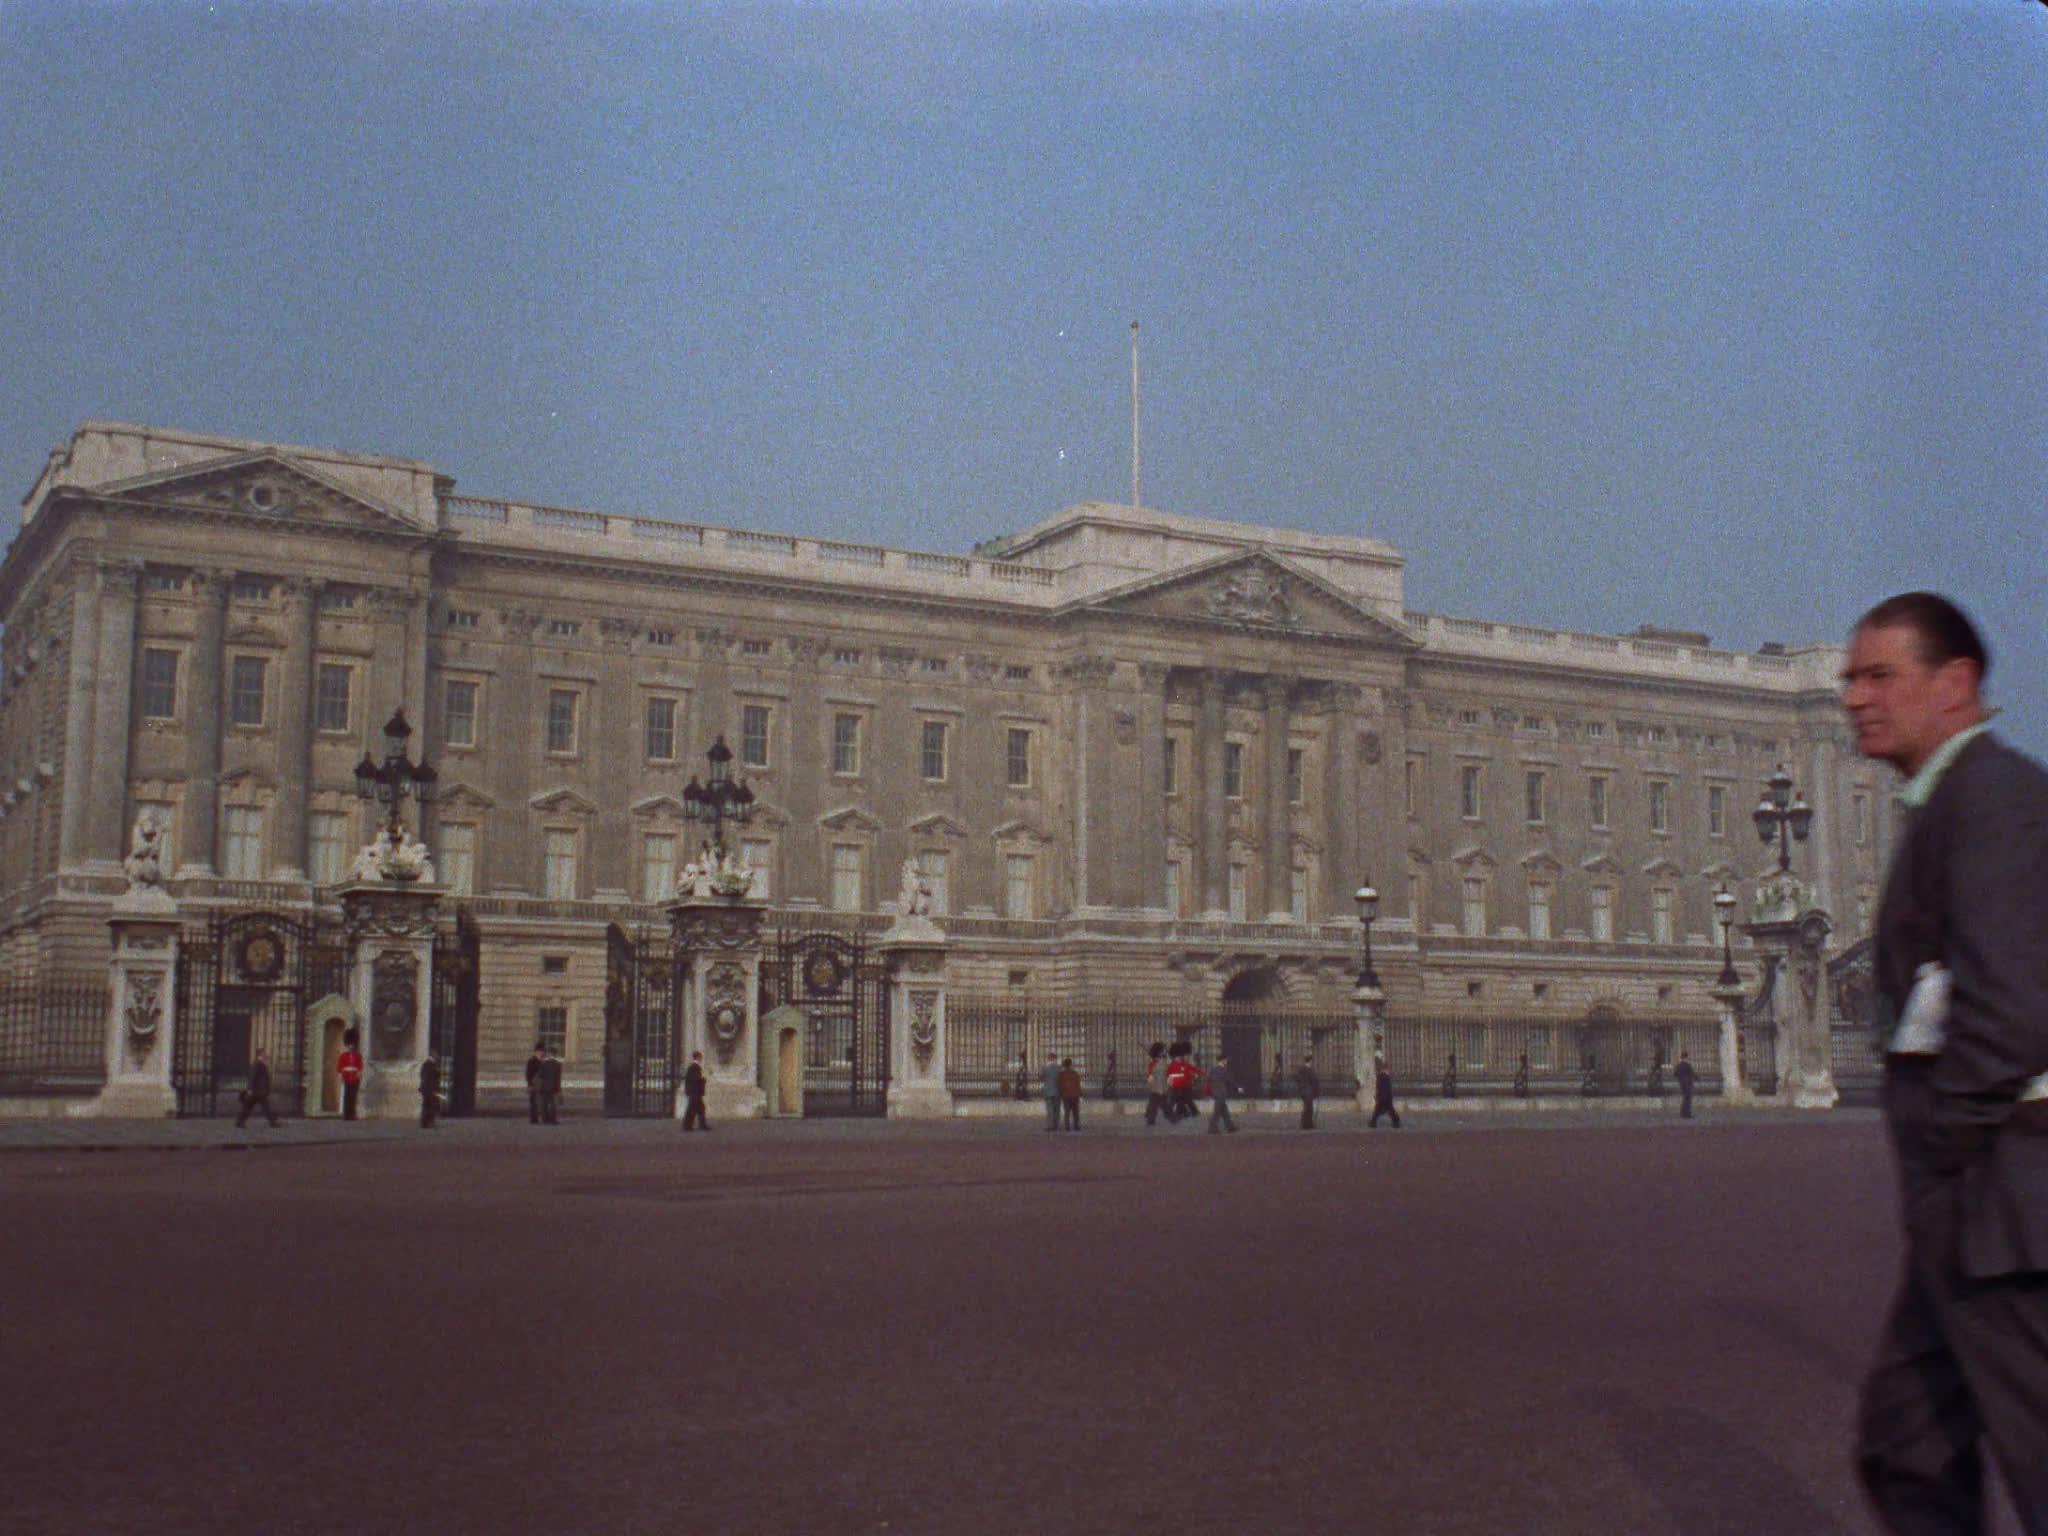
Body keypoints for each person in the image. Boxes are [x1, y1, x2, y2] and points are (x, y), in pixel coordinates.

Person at [1843, 592, 2048, 1532]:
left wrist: (1947, 1150)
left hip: (1997, 1196)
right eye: (1850, 678)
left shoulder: (1993, 799)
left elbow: (2006, 1009)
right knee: (1906, 1444)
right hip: (1970, 1200)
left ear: (1955, 684)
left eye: (1880, 676)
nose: (1854, 698)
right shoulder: (1949, 804)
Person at [236, 1048, 280, 1128]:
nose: (265, 1054)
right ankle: (272, 1122)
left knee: (250, 1107)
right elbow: (252, 1076)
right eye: (264, 1053)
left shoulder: (261, 1063)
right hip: (258, 1090)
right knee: (265, 1107)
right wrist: (250, 1089)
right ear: (260, 1054)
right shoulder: (257, 1064)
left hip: (258, 1091)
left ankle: (240, 1121)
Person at [336, 1029, 364, 1122]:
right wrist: (341, 1076)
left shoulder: (357, 1056)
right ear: (347, 1045)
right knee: (346, 1097)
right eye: (350, 1044)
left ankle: (352, 1114)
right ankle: (346, 1114)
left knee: (353, 1097)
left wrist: (359, 1074)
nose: (351, 1046)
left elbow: (360, 1066)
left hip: (354, 1078)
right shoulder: (343, 1056)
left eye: (352, 1044)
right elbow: (340, 1066)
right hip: (347, 1077)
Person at [1207, 1053, 1238, 1135]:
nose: (1227, 1061)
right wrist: (1238, 1088)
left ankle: (1230, 1126)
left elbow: (1209, 1080)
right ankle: (1212, 1128)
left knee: (1224, 1111)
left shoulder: (1213, 1070)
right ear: (1223, 1060)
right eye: (1226, 1060)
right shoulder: (1223, 1070)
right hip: (1221, 1093)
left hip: (1215, 1092)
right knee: (1217, 1112)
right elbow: (1230, 1080)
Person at [1143, 1041, 1170, 1127]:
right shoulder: (1155, 1063)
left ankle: (1150, 1115)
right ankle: (1150, 1117)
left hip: (1161, 1086)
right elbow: (1150, 1074)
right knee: (1155, 1102)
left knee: (1157, 1102)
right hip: (1157, 1086)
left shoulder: (1161, 1061)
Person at [681, 1050, 709, 1131]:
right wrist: (703, 1080)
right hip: (695, 1092)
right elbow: (695, 1079)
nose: (701, 1059)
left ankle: (701, 1125)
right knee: (692, 1109)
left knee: (700, 1109)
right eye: (700, 1057)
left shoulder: (693, 1067)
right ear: (698, 1057)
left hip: (694, 1092)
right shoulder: (695, 1067)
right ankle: (688, 1126)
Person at [1370, 1058, 1402, 1129]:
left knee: (1378, 1111)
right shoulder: (1384, 1076)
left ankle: (1373, 1122)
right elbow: (1385, 1088)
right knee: (1389, 1111)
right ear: (1387, 1068)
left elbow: (1379, 1087)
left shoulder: (1381, 1076)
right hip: (1385, 1097)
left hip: (1382, 1097)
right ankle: (1396, 1122)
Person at [538, 1045, 563, 1125]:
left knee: (544, 1103)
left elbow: (540, 1075)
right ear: (555, 1054)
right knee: (552, 1104)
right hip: (553, 1086)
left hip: (544, 1086)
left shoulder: (543, 1064)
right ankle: (552, 1119)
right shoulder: (558, 1064)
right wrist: (559, 1089)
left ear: (548, 1054)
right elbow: (558, 1078)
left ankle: (545, 1119)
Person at [526, 1041, 549, 1125]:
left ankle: (543, 1117)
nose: (542, 1053)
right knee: (533, 1102)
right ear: (537, 1052)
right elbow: (528, 1074)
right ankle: (534, 1118)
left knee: (542, 1101)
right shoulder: (531, 1061)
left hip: (542, 1084)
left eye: (543, 1051)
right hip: (534, 1083)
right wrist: (530, 1084)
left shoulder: (543, 1061)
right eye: (541, 1051)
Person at [1057, 1056, 1082, 1131]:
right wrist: (1079, 1093)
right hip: (1074, 1094)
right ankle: (1076, 1125)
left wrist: (1061, 1093)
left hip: (1066, 1095)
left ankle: (1067, 1126)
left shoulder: (1062, 1074)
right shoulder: (1075, 1073)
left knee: (1067, 1111)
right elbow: (1077, 1084)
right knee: (1076, 1112)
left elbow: (1060, 1085)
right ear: (1071, 1064)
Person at [1040, 1052, 1061, 1132]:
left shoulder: (1045, 1068)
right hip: (1057, 1090)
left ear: (1048, 1058)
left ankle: (1050, 1125)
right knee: (1056, 1109)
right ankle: (1056, 1124)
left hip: (1048, 1090)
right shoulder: (1059, 1068)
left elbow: (1041, 1077)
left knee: (1049, 1109)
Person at [1297, 1053, 1319, 1130]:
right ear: (1310, 1061)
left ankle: (1306, 1123)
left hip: (1304, 1091)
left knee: (1307, 1108)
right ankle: (1307, 1124)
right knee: (1309, 1109)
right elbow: (1314, 1082)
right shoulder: (1309, 1071)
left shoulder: (1301, 1070)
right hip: (1309, 1091)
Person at [418, 1054, 441, 1128]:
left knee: (427, 1105)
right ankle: (428, 1122)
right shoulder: (429, 1065)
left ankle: (426, 1122)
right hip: (429, 1089)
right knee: (430, 1106)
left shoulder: (426, 1065)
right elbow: (430, 1078)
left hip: (427, 1089)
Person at [1674, 1051, 1697, 1119]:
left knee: (1684, 1098)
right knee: (1688, 1099)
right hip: (1688, 1083)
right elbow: (1692, 1073)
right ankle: (1687, 1113)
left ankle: (1683, 1113)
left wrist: (1680, 1078)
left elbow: (1675, 1074)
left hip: (1681, 1083)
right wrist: (1697, 1078)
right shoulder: (1687, 1065)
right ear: (1686, 1058)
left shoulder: (1678, 1065)